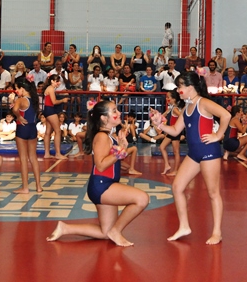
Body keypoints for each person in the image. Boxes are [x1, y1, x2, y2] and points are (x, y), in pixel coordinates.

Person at [47, 100, 149, 247]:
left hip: (106, 184)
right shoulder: (102, 137)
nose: (119, 113)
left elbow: (117, 162)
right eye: (114, 111)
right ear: (103, 118)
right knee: (142, 199)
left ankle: (65, 228)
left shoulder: (111, 136)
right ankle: (117, 231)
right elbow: (100, 165)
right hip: (102, 185)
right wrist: (119, 151)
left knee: (105, 232)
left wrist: (122, 148)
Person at [149, 71, 230, 245]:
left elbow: (226, 115)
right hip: (194, 154)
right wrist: (160, 123)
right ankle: (184, 226)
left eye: (180, 87)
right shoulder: (187, 108)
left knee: (213, 192)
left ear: (190, 87)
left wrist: (217, 135)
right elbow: (175, 131)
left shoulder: (204, 103)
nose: (178, 90)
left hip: (209, 153)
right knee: (177, 187)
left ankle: (217, 232)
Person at [11, 76, 43, 194]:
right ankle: (38, 186)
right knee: (33, 158)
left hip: (22, 128)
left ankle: (25, 187)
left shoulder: (21, 100)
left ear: (23, 88)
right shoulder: (34, 99)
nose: (16, 91)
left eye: (17, 89)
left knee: (23, 159)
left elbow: (14, 110)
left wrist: (18, 116)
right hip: (32, 128)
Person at [158, 89, 185, 176]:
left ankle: (176, 170)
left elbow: (182, 115)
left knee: (176, 151)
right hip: (170, 132)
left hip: (175, 132)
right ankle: (167, 165)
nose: (167, 99)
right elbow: (162, 115)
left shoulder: (175, 109)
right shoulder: (171, 108)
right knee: (162, 147)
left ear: (174, 99)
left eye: (168, 97)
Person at [42, 74, 69, 160]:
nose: (59, 83)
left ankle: (47, 153)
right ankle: (58, 153)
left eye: (59, 81)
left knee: (48, 132)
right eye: (57, 81)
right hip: (50, 110)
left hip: (47, 110)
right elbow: (54, 102)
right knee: (58, 131)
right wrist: (63, 100)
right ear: (52, 81)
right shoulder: (51, 89)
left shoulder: (49, 88)